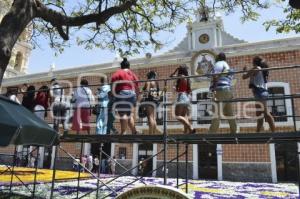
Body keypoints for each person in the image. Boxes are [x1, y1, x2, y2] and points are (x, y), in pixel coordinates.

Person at [243, 56, 275, 132]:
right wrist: (247, 71)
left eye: (252, 62)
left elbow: (244, 76)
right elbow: (249, 75)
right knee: (259, 114)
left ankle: (273, 131)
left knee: (266, 113)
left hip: (260, 92)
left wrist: (245, 70)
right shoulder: (258, 69)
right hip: (258, 93)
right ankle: (258, 132)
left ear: (254, 62)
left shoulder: (257, 68)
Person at [208, 52, 237, 134]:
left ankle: (211, 134)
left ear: (218, 58)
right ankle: (234, 131)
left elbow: (213, 75)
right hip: (228, 90)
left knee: (216, 114)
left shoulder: (218, 64)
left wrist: (213, 89)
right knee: (229, 113)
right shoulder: (227, 65)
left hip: (220, 90)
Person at [111, 58, 139, 135]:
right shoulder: (132, 74)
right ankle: (134, 131)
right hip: (132, 94)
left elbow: (113, 83)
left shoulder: (118, 72)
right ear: (129, 66)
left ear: (121, 66)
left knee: (123, 113)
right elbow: (137, 85)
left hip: (122, 93)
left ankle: (123, 132)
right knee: (129, 114)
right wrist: (136, 97)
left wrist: (113, 94)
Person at [170, 65, 196, 134]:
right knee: (184, 116)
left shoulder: (182, 76)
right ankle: (185, 131)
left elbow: (171, 76)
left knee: (177, 116)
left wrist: (176, 69)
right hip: (186, 97)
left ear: (180, 71)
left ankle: (190, 128)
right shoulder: (187, 78)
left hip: (182, 97)